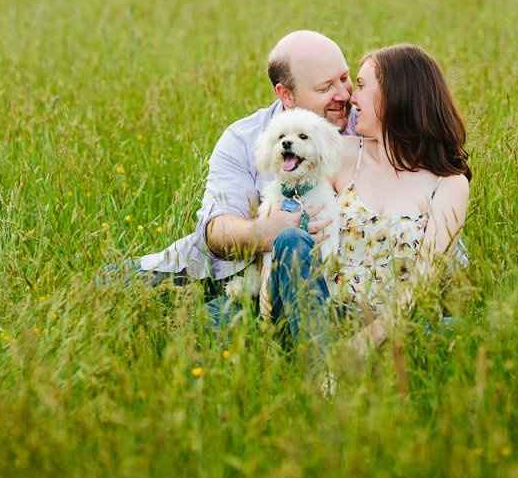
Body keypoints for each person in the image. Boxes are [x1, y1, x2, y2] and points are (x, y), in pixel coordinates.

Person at [122, 31, 354, 308]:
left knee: (220, 321)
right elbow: (215, 231)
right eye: (325, 88)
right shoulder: (244, 138)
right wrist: (265, 231)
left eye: (344, 78)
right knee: (111, 283)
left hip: (310, 284)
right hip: (221, 271)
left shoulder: (369, 127)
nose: (344, 94)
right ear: (286, 94)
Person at [270, 43, 470, 352]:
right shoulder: (341, 155)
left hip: (397, 323)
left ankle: (333, 364)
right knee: (290, 241)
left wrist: (365, 343)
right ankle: (321, 364)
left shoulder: (448, 183)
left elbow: (425, 278)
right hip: (326, 314)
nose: (352, 97)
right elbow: (288, 204)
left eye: (362, 86)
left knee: (457, 330)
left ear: (396, 95)